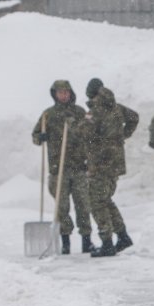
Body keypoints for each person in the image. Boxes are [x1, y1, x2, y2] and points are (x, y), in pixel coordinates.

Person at [32, 80, 94, 254]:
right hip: (58, 169)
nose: (63, 95)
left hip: (79, 167)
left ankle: (86, 241)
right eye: (60, 92)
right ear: (55, 94)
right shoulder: (48, 115)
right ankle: (65, 242)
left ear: (70, 93)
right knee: (62, 208)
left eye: (66, 92)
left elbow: (90, 137)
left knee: (83, 205)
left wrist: (89, 160)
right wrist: (41, 137)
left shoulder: (79, 112)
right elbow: (35, 136)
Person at [85, 78, 138, 254]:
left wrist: (74, 125)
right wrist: (121, 136)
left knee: (96, 202)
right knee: (105, 199)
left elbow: (85, 133)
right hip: (114, 163)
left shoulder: (95, 111)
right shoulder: (117, 107)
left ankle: (107, 243)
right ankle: (123, 237)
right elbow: (134, 117)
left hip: (100, 163)